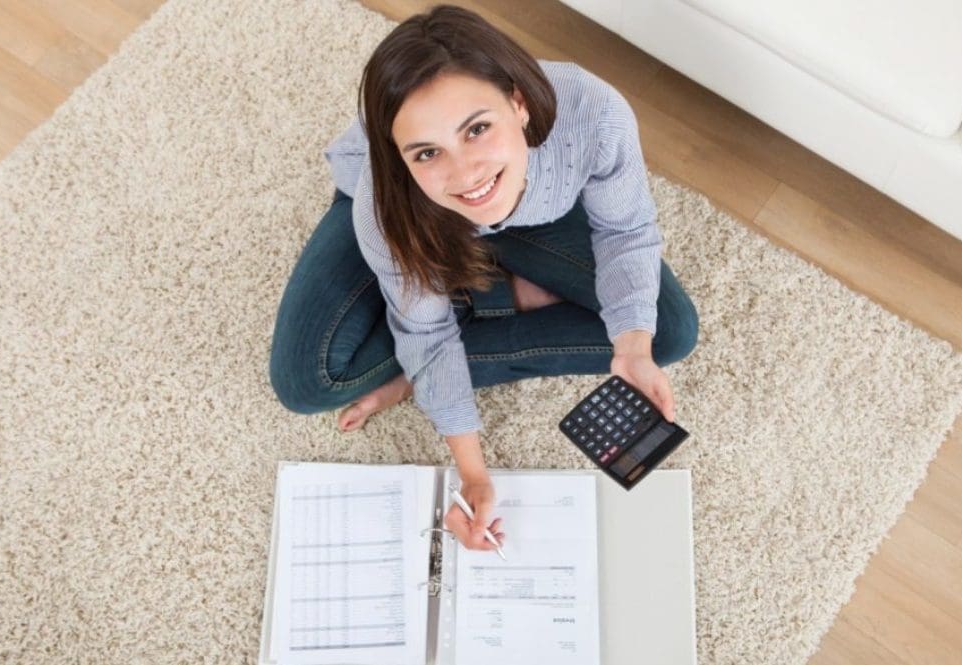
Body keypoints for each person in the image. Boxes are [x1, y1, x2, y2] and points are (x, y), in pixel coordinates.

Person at [269, 5, 698, 553]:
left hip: (534, 202)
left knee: (665, 331)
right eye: (428, 151)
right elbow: (425, 334)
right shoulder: (387, 201)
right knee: (308, 384)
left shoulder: (594, 114)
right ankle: (466, 303)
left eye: (477, 129)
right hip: (423, 215)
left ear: (517, 103)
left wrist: (632, 347)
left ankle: (463, 304)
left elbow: (626, 230)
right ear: (401, 158)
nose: (465, 171)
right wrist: (473, 476)